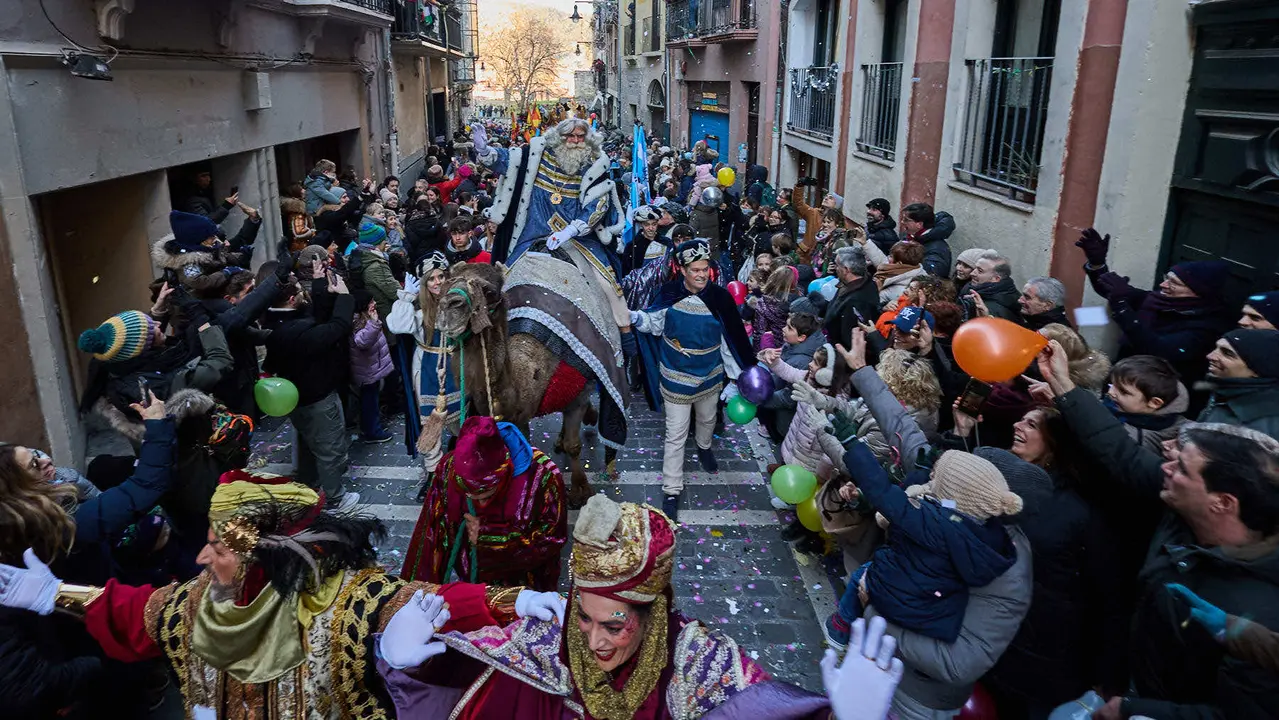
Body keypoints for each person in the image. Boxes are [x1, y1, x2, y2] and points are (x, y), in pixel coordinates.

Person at [0, 471, 563, 720]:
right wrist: (58, 595)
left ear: (259, 556)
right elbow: (133, 614)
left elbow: (424, 602)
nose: (202, 559)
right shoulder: (197, 604)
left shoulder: (345, 601)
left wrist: (509, 603)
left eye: (217, 547)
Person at [378, 495, 841, 719]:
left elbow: (764, 710)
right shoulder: (551, 637)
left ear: (651, 613)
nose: (594, 640)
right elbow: (471, 665)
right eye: (584, 615)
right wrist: (409, 663)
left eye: (614, 626)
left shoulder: (698, 662)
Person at [1036, 340, 1279, 720]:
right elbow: (1121, 453)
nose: (1164, 466)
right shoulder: (1181, 507)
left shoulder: (1260, 612)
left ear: (1222, 502)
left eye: (1181, 468)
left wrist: (1135, 708)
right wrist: (1064, 386)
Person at [472, 118, 631, 344]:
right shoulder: (535, 155)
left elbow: (599, 205)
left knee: (608, 284)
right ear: (559, 137)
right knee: (504, 278)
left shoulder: (595, 165)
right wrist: (484, 150)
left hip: (578, 238)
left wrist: (570, 231)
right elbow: (507, 161)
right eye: (570, 136)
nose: (575, 141)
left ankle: (625, 335)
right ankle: (488, 333)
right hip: (533, 232)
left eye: (580, 137)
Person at [631, 239, 755, 521]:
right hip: (675, 376)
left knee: (708, 419)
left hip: (709, 375)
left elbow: (730, 341)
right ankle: (671, 490)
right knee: (675, 434)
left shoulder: (720, 298)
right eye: (695, 270)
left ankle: (704, 446)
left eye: (705, 269)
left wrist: (735, 379)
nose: (701, 275)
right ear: (683, 270)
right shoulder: (669, 293)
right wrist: (635, 317)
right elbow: (654, 324)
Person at [401, 416, 567, 591]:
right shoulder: (447, 469)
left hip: (525, 590)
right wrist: (418, 594)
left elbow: (553, 538)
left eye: (486, 495)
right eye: (471, 496)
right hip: (473, 584)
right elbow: (432, 535)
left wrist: (491, 538)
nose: (480, 502)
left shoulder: (543, 475)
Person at [1077, 227, 1235, 387]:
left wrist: (1121, 307)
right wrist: (1097, 264)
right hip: (1124, 374)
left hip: (1157, 389)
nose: (1163, 285)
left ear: (1198, 292)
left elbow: (1158, 349)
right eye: (1167, 278)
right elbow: (1109, 290)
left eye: (1174, 283)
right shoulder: (1156, 300)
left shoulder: (1207, 326)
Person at [261, 262, 359, 510]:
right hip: (317, 397)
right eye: (300, 291)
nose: (304, 295)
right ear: (292, 299)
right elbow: (336, 327)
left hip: (297, 397)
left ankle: (308, 483)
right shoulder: (295, 331)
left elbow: (314, 317)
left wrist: (319, 284)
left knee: (307, 443)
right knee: (330, 448)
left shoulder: (275, 320)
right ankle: (335, 497)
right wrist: (345, 296)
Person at [388, 253, 461, 490]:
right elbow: (398, 326)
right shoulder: (418, 307)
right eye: (431, 279)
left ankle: (461, 457)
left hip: (455, 364)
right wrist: (405, 298)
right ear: (424, 283)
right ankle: (433, 470)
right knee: (430, 420)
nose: (437, 282)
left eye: (441, 276)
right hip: (426, 367)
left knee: (461, 415)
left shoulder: (459, 301)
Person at [1198, 328, 1279, 438]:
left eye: (1227, 353)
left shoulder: (1261, 423)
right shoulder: (1227, 391)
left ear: (1257, 370)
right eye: (1216, 348)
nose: (1210, 356)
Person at [1105, 355, 1191, 453]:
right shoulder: (1118, 405)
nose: (1110, 392)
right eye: (1111, 384)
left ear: (1154, 403)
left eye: (1123, 392)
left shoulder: (1135, 443)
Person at [350, 288, 394, 443]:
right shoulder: (358, 322)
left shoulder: (366, 318)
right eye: (371, 301)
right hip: (367, 371)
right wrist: (374, 324)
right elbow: (362, 341)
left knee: (372, 399)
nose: (374, 303)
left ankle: (372, 426)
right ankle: (372, 431)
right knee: (370, 402)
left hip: (371, 368)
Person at [824, 246, 879, 349]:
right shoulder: (851, 284)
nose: (835, 268)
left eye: (837, 265)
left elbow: (849, 339)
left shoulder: (857, 300)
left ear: (846, 269)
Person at [792, 179, 843, 263]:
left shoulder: (839, 222)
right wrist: (799, 186)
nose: (826, 198)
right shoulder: (814, 212)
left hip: (821, 259)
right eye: (826, 196)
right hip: (804, 255)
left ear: (836, 205)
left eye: (830, 198)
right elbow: (798, 205)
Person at [897, 203, 955, 277]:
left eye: (906, 220)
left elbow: (930, 276)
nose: (902, 222)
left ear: (919, 224)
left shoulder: (937, 249)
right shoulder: (910, 236)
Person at [962, 251, 1020, 321]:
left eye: (980, 271)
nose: (972, 273)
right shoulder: (971, 288)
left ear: (996, 278)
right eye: (975, 268)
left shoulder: (999, 310)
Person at [875, 242, 926, 309]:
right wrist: (866, 244)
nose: (888, 258)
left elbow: (873, 306)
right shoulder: (910, 267)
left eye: (891, 256)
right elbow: (882, 261)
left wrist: (883, 306)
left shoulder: (903, 291)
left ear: (899, 263)